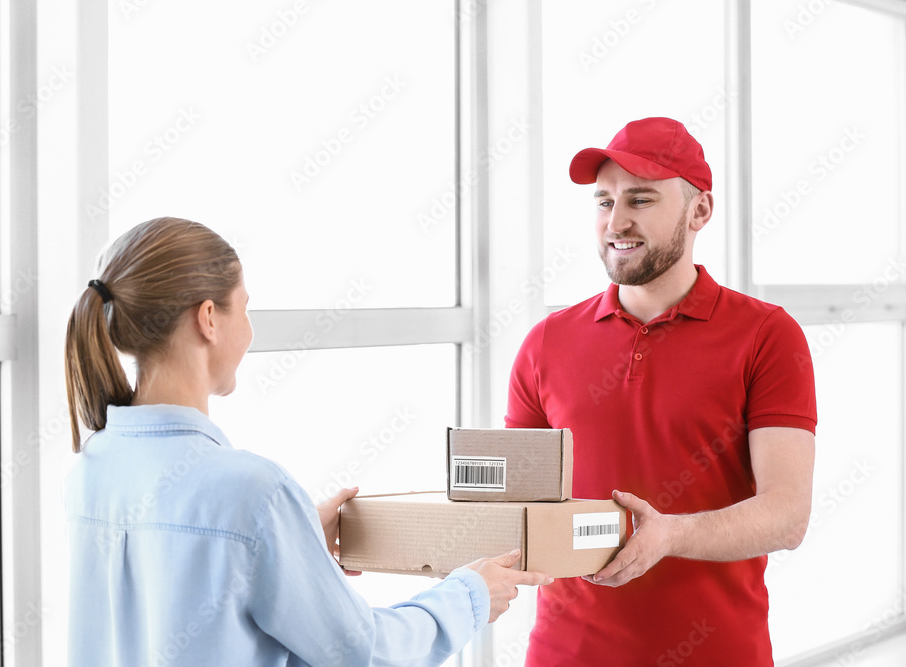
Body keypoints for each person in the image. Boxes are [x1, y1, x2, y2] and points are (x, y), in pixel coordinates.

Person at [63, 217, 552, 666]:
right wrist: (468, 595)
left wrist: (291, 545)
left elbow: (177, 598)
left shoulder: (91, 469)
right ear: (208, 317)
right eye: (245, 308)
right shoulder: (251, 490)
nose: (249, 330)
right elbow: (361, 653)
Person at [506, 117, 817, 666]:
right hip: (564, 653)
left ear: (700, 211)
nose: (615, 221)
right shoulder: (546, 342)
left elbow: (787, 515)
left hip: (717, 653)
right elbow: (515, 506)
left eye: (641, 200)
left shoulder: (766, 335)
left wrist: (669, 535)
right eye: (604, 202)